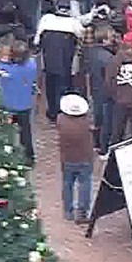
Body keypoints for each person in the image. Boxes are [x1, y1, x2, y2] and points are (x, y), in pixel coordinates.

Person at [36, 2, 85, 123]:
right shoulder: (73, 22)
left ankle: (53, 113)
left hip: (49, 60)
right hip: (65, 61)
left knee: (51, 85)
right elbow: (81, 35)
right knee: (64, 85)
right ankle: (63, 113)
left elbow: (37, 40)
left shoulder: (46, 19)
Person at [0, 40, 39, 166]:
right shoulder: (31, 65)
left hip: (8, 106)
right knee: (25, 132)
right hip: (25, 105)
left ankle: (7, 157)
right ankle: (28, 158)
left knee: (7, 132)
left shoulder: (6, 70)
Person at [56, 95, 94, 224]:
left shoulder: (61, 119)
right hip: (85, 158)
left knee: (67, 184)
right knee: (85, 184)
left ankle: (68, 211)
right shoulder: (87, 121)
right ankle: (82, 212)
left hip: (67, 158)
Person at [84, 26, 116, 155]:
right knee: (106, 121)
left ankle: (95, 143)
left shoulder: (90, 52)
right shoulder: (108, 57)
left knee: (97, 118)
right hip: (105, 91)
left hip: (94, 88)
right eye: (110, 38)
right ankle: (103, 148)